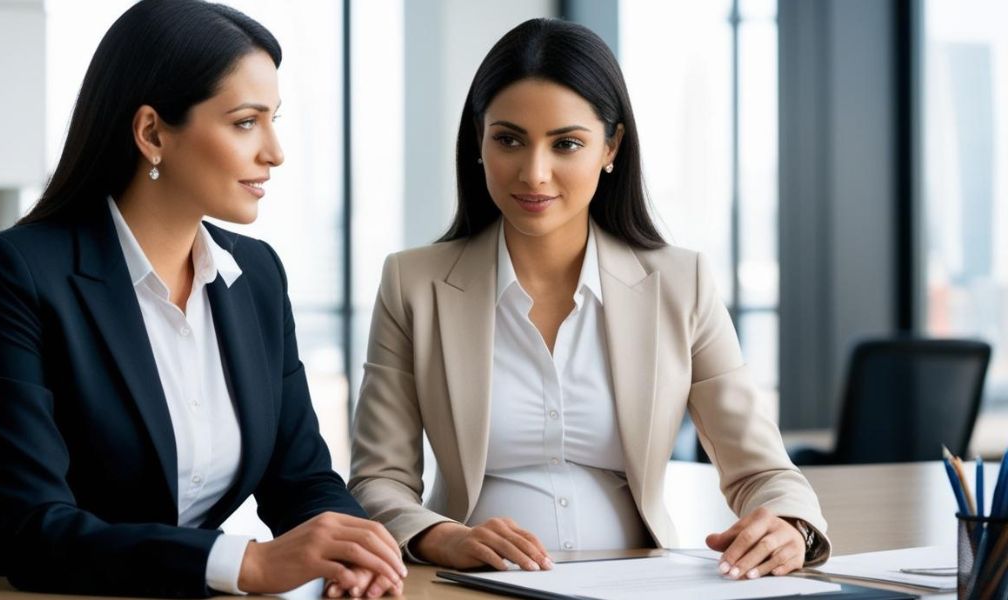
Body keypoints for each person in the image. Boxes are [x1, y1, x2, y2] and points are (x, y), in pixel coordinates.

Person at [0, 1, 405, 597]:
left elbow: (302, 480)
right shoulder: (15, 273)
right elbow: (32, 530)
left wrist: (356, 554)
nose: (274, 151)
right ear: (152, 132)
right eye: (246, 122)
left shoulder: (257, 276)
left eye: (274, 119)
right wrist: (246, 563)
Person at [348, 17, 830, 588]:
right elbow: (377, 481)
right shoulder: (414, 283)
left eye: (567, 143)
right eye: (508, 139)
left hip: (640, 586)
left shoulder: (681, 282)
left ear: (611, 147)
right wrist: (441, 536)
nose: (534, 173)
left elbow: (763, 469)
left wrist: (790, 525)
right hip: (476, 586)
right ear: (479, 141)